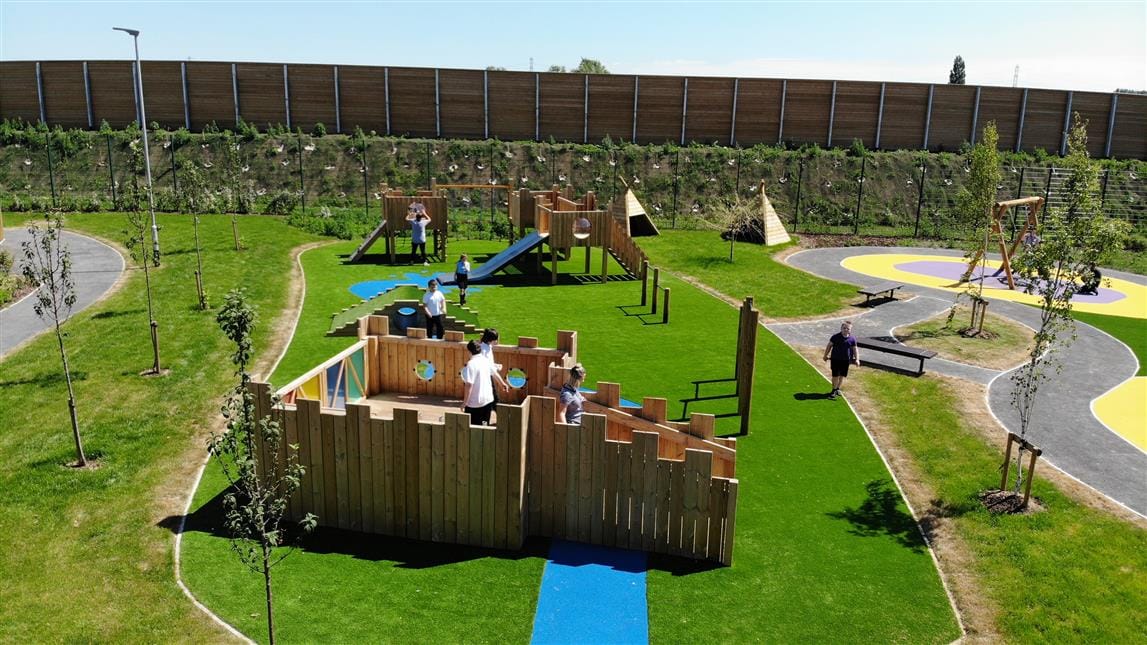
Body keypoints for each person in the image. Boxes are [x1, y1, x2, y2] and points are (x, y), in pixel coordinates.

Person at [461, 339, 508, 426]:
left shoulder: (471, 364)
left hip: (474, 404)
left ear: (469, 351)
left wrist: (465, 403)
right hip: (488, 400)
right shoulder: (485, 360)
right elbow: (494, 373)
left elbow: (469, 385)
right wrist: (502, 384)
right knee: (485, 426)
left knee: (472, 428)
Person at [822, 321, 860, 400]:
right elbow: (829, 346)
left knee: (842, 375)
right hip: (835, 360)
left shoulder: (852, 339)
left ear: (850, 330)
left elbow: (855, 349)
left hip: (846, 361)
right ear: (841, 328)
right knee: (835, 376)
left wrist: (857, 359)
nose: (846, 330)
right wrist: (825, 355)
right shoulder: (835, 337)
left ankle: (838, 388)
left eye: (848, 329)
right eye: (844, 328)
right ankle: (833, 390)